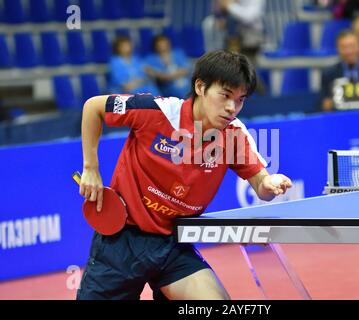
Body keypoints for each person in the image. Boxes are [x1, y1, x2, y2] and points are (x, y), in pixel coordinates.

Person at [76, 50, 292, 300]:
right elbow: (93, 107)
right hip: (121, 240)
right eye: (225, 96)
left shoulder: (233, 135)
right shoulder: (157, 111)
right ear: (200, 86)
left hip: (173, 244)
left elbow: (261, 186)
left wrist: (269, 183)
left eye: (240, 99)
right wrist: (91, 168)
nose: (232, 108)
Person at [144, 34, 191, 98]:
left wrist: (171, 76)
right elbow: (150, 71)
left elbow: (186, 68)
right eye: (160, 45)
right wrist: (165, 77)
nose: (163, 46)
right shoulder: (150, 59)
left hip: (184, 82)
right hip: (166, 86)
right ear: (155, 46)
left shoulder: (178, 53)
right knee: (179, 91)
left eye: (165, 44)